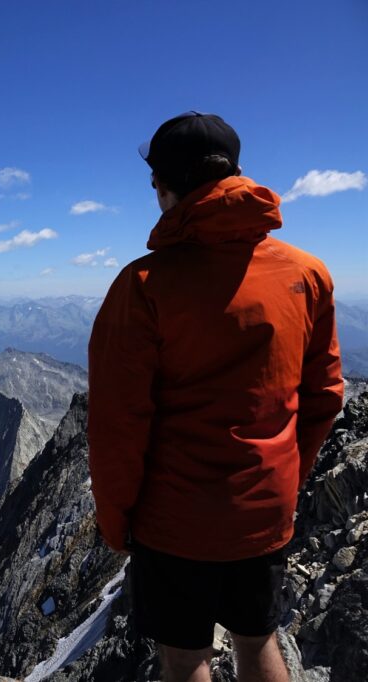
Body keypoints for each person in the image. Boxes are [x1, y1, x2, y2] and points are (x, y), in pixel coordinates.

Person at [87, 111, 344, 682]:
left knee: (185, 657)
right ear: (236, 174)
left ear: (163, 185)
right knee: (258, 641)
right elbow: (325, 394)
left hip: (175, 520)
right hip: (266, 512)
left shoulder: (144, 285)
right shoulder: (308, 274)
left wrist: (115, 521)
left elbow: (116, 424)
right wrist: (283, 479)